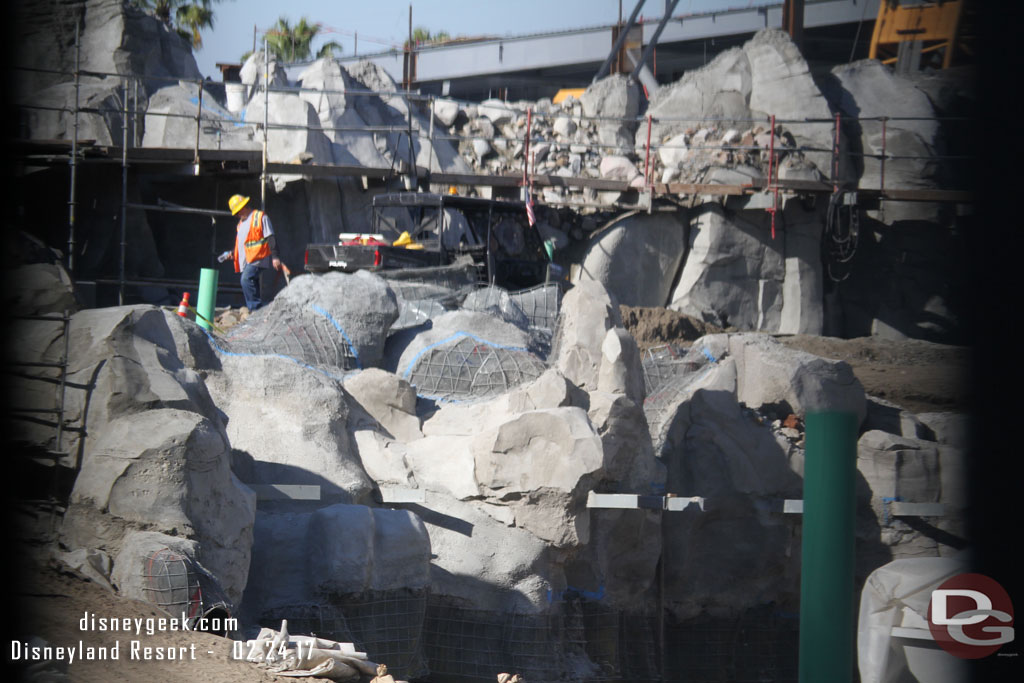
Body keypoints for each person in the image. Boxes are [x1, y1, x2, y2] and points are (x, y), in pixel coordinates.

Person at [219, 194, 282, 311]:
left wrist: (275, 257)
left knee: (246, 279)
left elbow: (270, 237)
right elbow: (243, 245)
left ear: (243, 207)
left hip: (259, 257)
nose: (238, 215)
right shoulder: (240, 225)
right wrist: (233, 253)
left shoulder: (260, 217)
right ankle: (259, 311)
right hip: (248, 260)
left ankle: (255, 309)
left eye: (238, 212)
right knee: (252, 283)